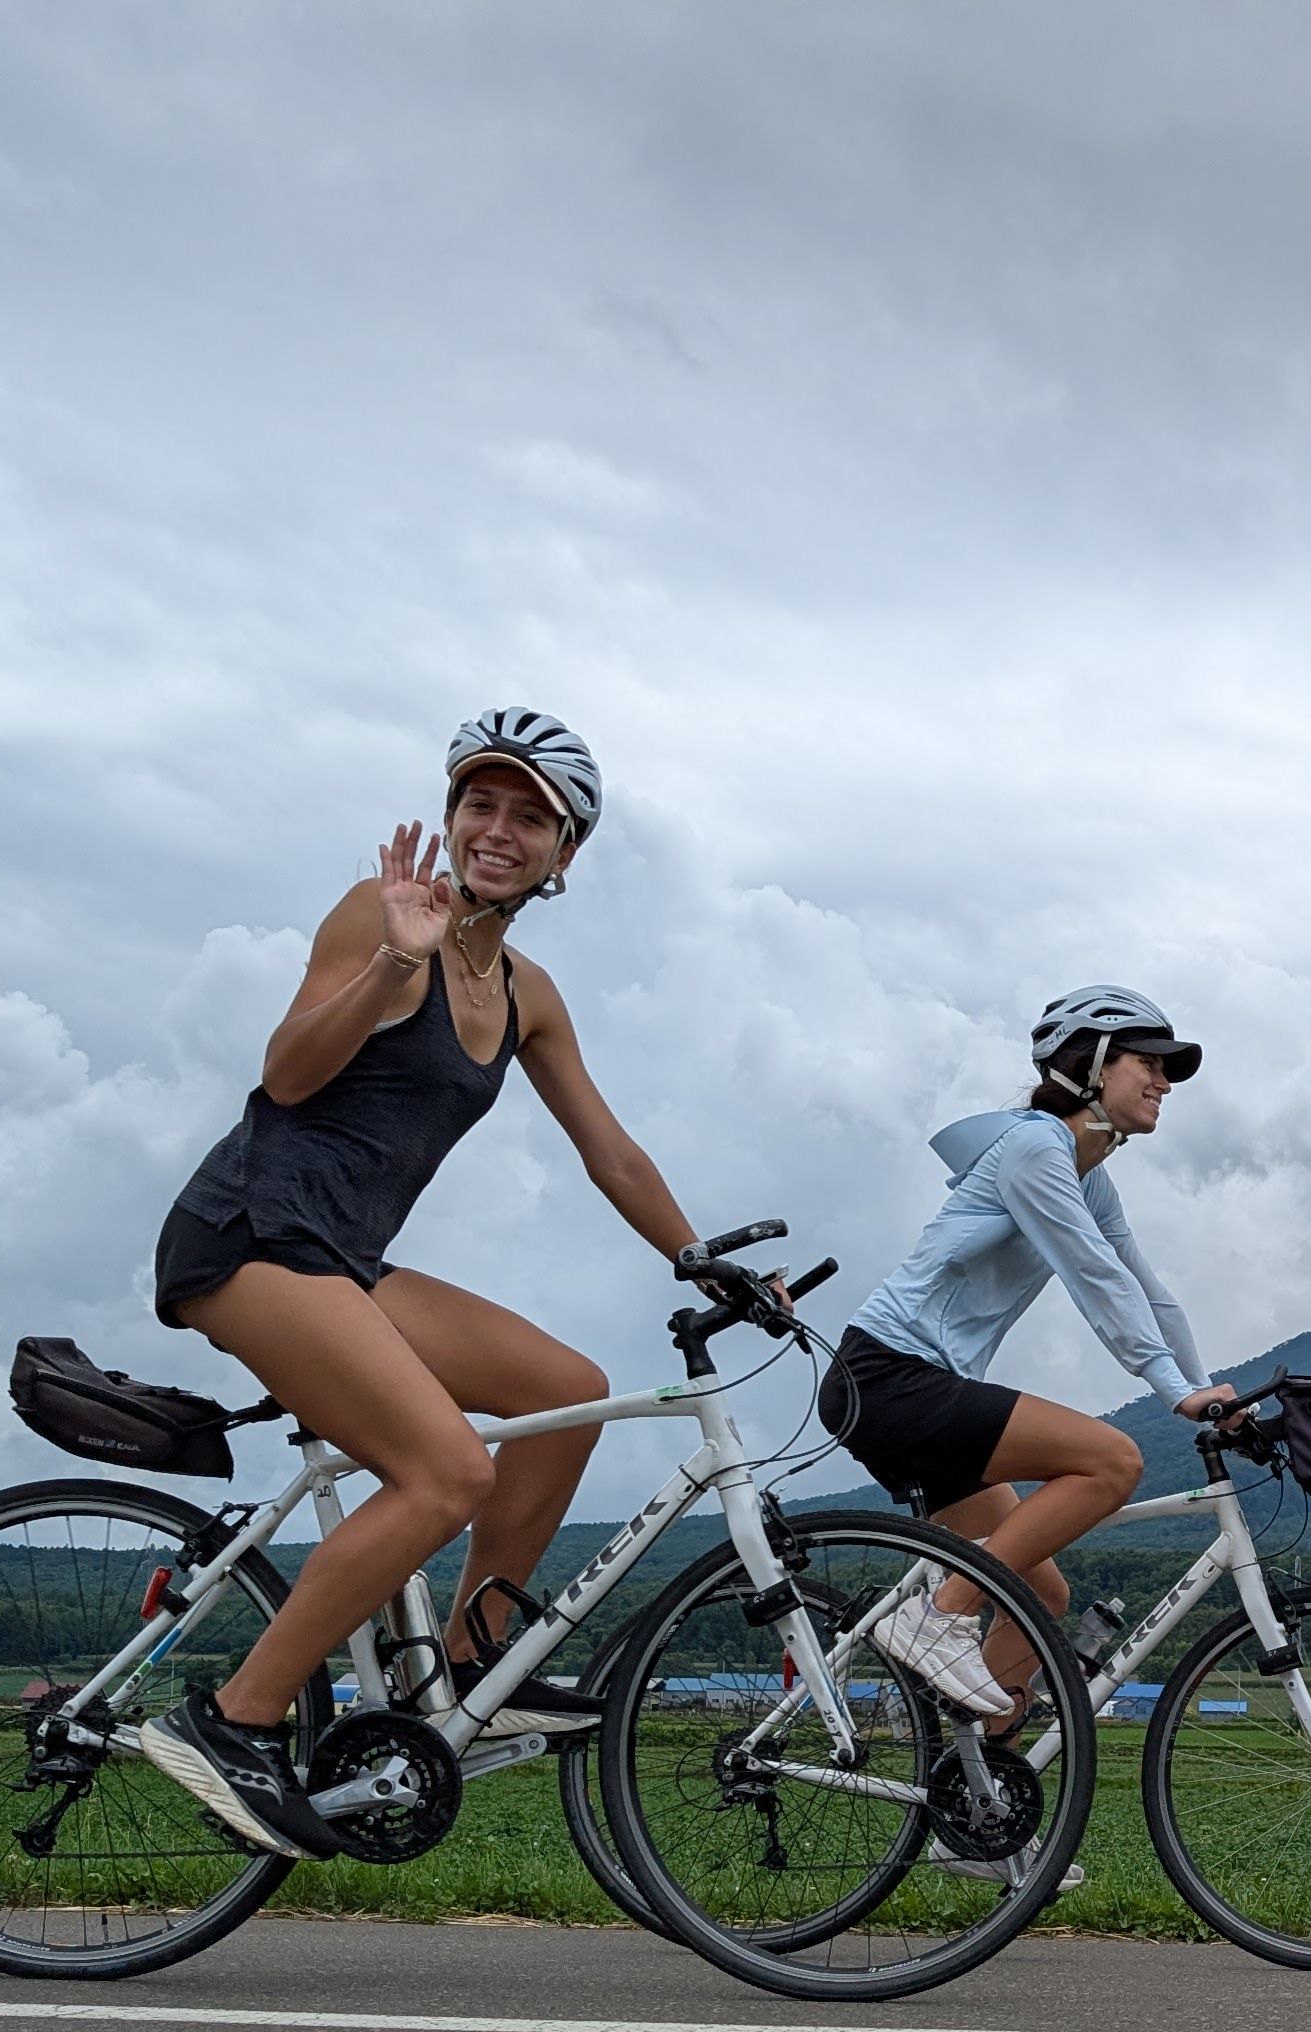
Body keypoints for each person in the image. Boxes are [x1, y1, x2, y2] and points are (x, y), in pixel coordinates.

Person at [136, 709, 739, 1859]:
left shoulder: (530, 992)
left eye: (530, 817)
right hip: (252, 1238)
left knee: (568, 1394)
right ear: (452, 813)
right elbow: (286, 1072)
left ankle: (471, 1664)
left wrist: (700, 1256)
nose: (497, 830)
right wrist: (392, 965)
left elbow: (608, 1149)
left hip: (346, 1262)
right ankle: (233, 1719)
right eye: (481, 804)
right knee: (445, 1471)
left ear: (567, 855)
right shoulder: (381, 915)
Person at [819, 986, 1234, 1716]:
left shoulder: (1087, 1175)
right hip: (887, 1375)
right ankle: (936, 1616)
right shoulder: (1034, 1148)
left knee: (1041, 1594)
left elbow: (1147, 1289)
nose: (1165, 1081)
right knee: (1111, 1461)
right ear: (1095, 1066)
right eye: (1151, 1062)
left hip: (911, 1387)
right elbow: (1094, 1278)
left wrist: (1206, 1390)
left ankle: (980, 1805)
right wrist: (1172, 1390)